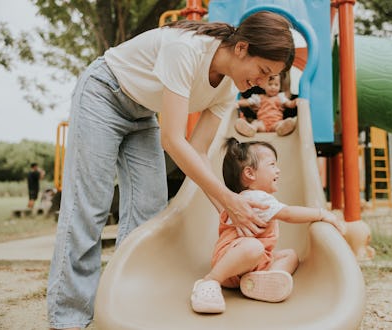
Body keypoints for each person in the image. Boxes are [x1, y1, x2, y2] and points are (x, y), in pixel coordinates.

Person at [46, 11, 295, 330]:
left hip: (142, 112)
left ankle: (125, 303)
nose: (262, 83)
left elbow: (199, 151)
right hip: (104, 93)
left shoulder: (227, 90)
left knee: (148, 210)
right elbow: (174, 141)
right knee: (90, 206)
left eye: (270, 75)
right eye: (262, 71)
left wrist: (229, 211)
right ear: (242, 48)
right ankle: (69, 319)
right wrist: (230, 202)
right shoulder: (187, 50)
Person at [190, 138, 346, 314]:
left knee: (290, 255)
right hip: (230, 261)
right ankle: (210, 281)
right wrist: (321, 213)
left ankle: (262, 280)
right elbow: (288, 214)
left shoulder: (239, 201)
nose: (278, 170)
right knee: (254, 247)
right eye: (272, 164)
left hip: (250, 265)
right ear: (250, 174)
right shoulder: (254, 198)